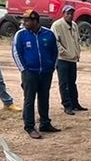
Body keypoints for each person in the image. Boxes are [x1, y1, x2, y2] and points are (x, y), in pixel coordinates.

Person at [11, 10, 59, 138]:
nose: (24, 23)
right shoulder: (20, 35)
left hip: (46, 72)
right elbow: (16, 53)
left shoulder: (48, 34)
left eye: (27, 20)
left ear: (35, 21)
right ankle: (29, 126)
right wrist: (24, 70)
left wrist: (52, 67)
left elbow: (55, 51)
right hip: (29, 73)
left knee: (44, 98)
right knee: (29, 100)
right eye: (24, 20)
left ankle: (45, 123)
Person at [50, 6, 87, 115]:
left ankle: (75, 103)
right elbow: (54, 41)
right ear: (63, 13)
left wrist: (76, 52)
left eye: (72, 13)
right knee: (64, 83)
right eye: (68, 13)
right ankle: (67, 105)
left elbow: (76, 40)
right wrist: (63, 51)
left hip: (73, 58)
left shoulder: (74, 25)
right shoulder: (57, 25)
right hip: (62, 59)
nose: (70, 15)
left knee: (72, 82)